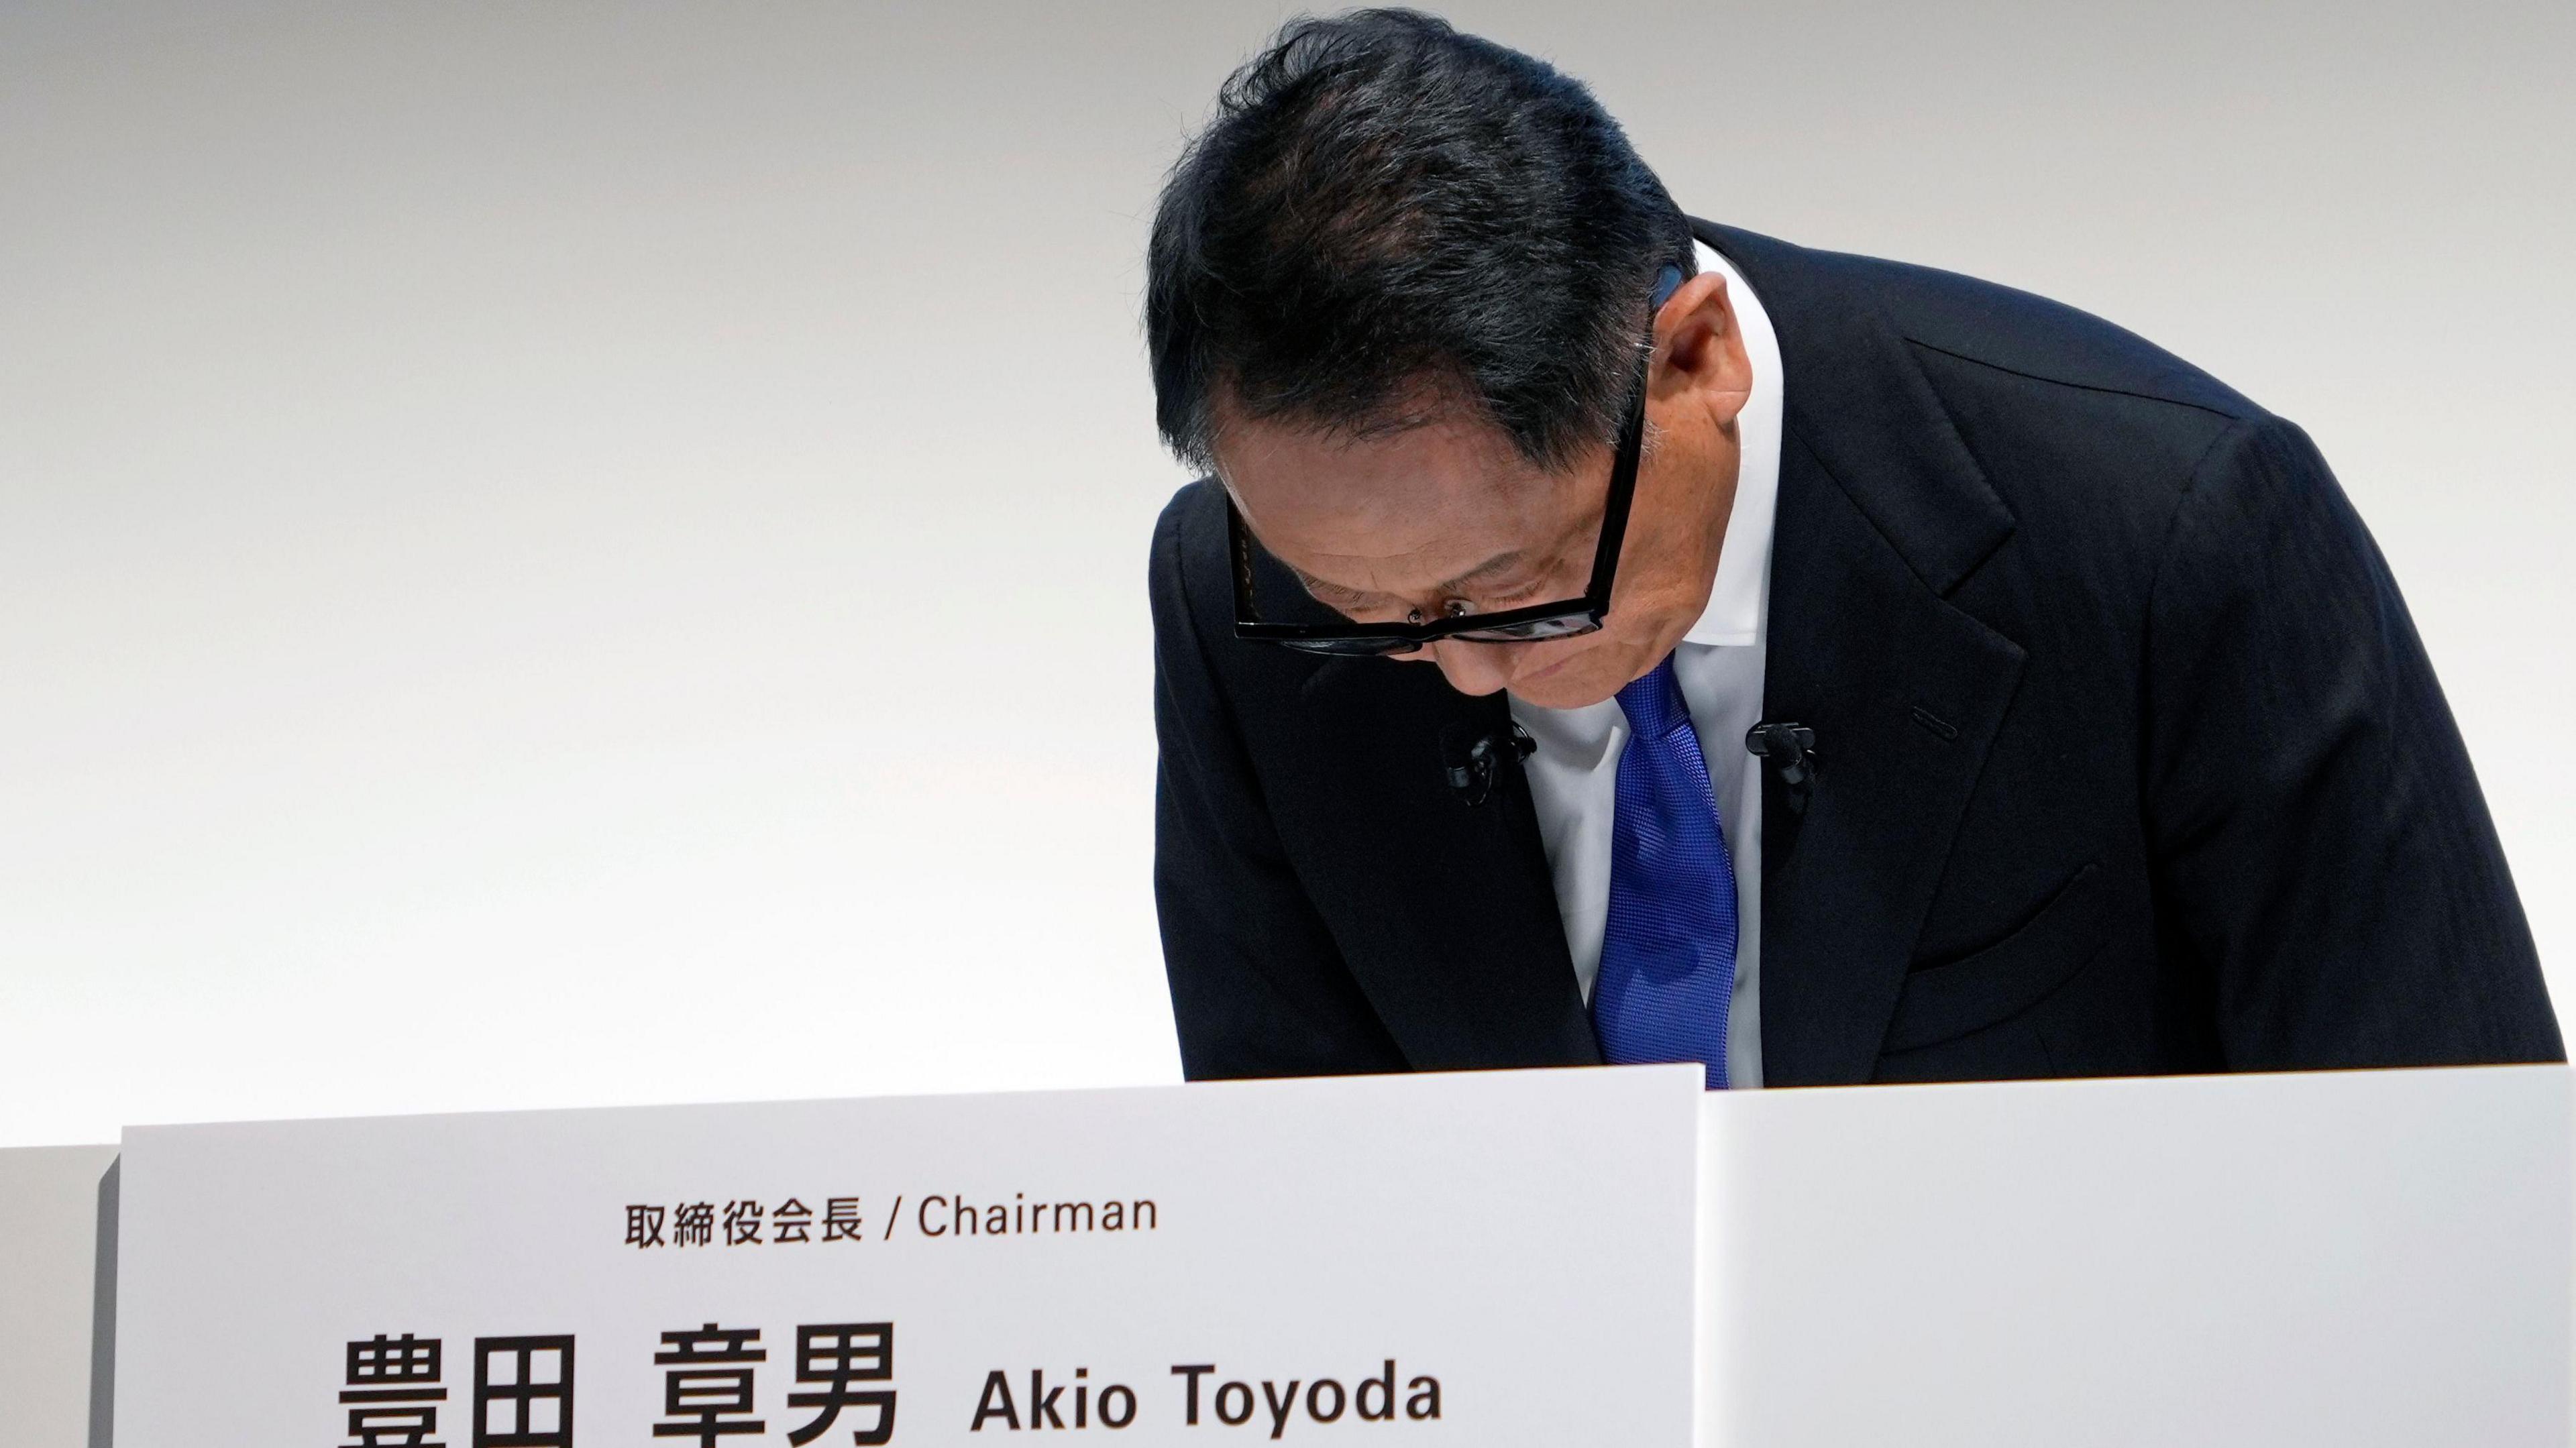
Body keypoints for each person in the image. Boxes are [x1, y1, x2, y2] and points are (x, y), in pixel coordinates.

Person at [1142, 9, 2561, 1087]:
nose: (1454, 672)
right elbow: (1304, 1219)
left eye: (1515, 590)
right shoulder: (1233, 598)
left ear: (1694, 359)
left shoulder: (2177, 536)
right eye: (1363, 606)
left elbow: (2442, 1180)